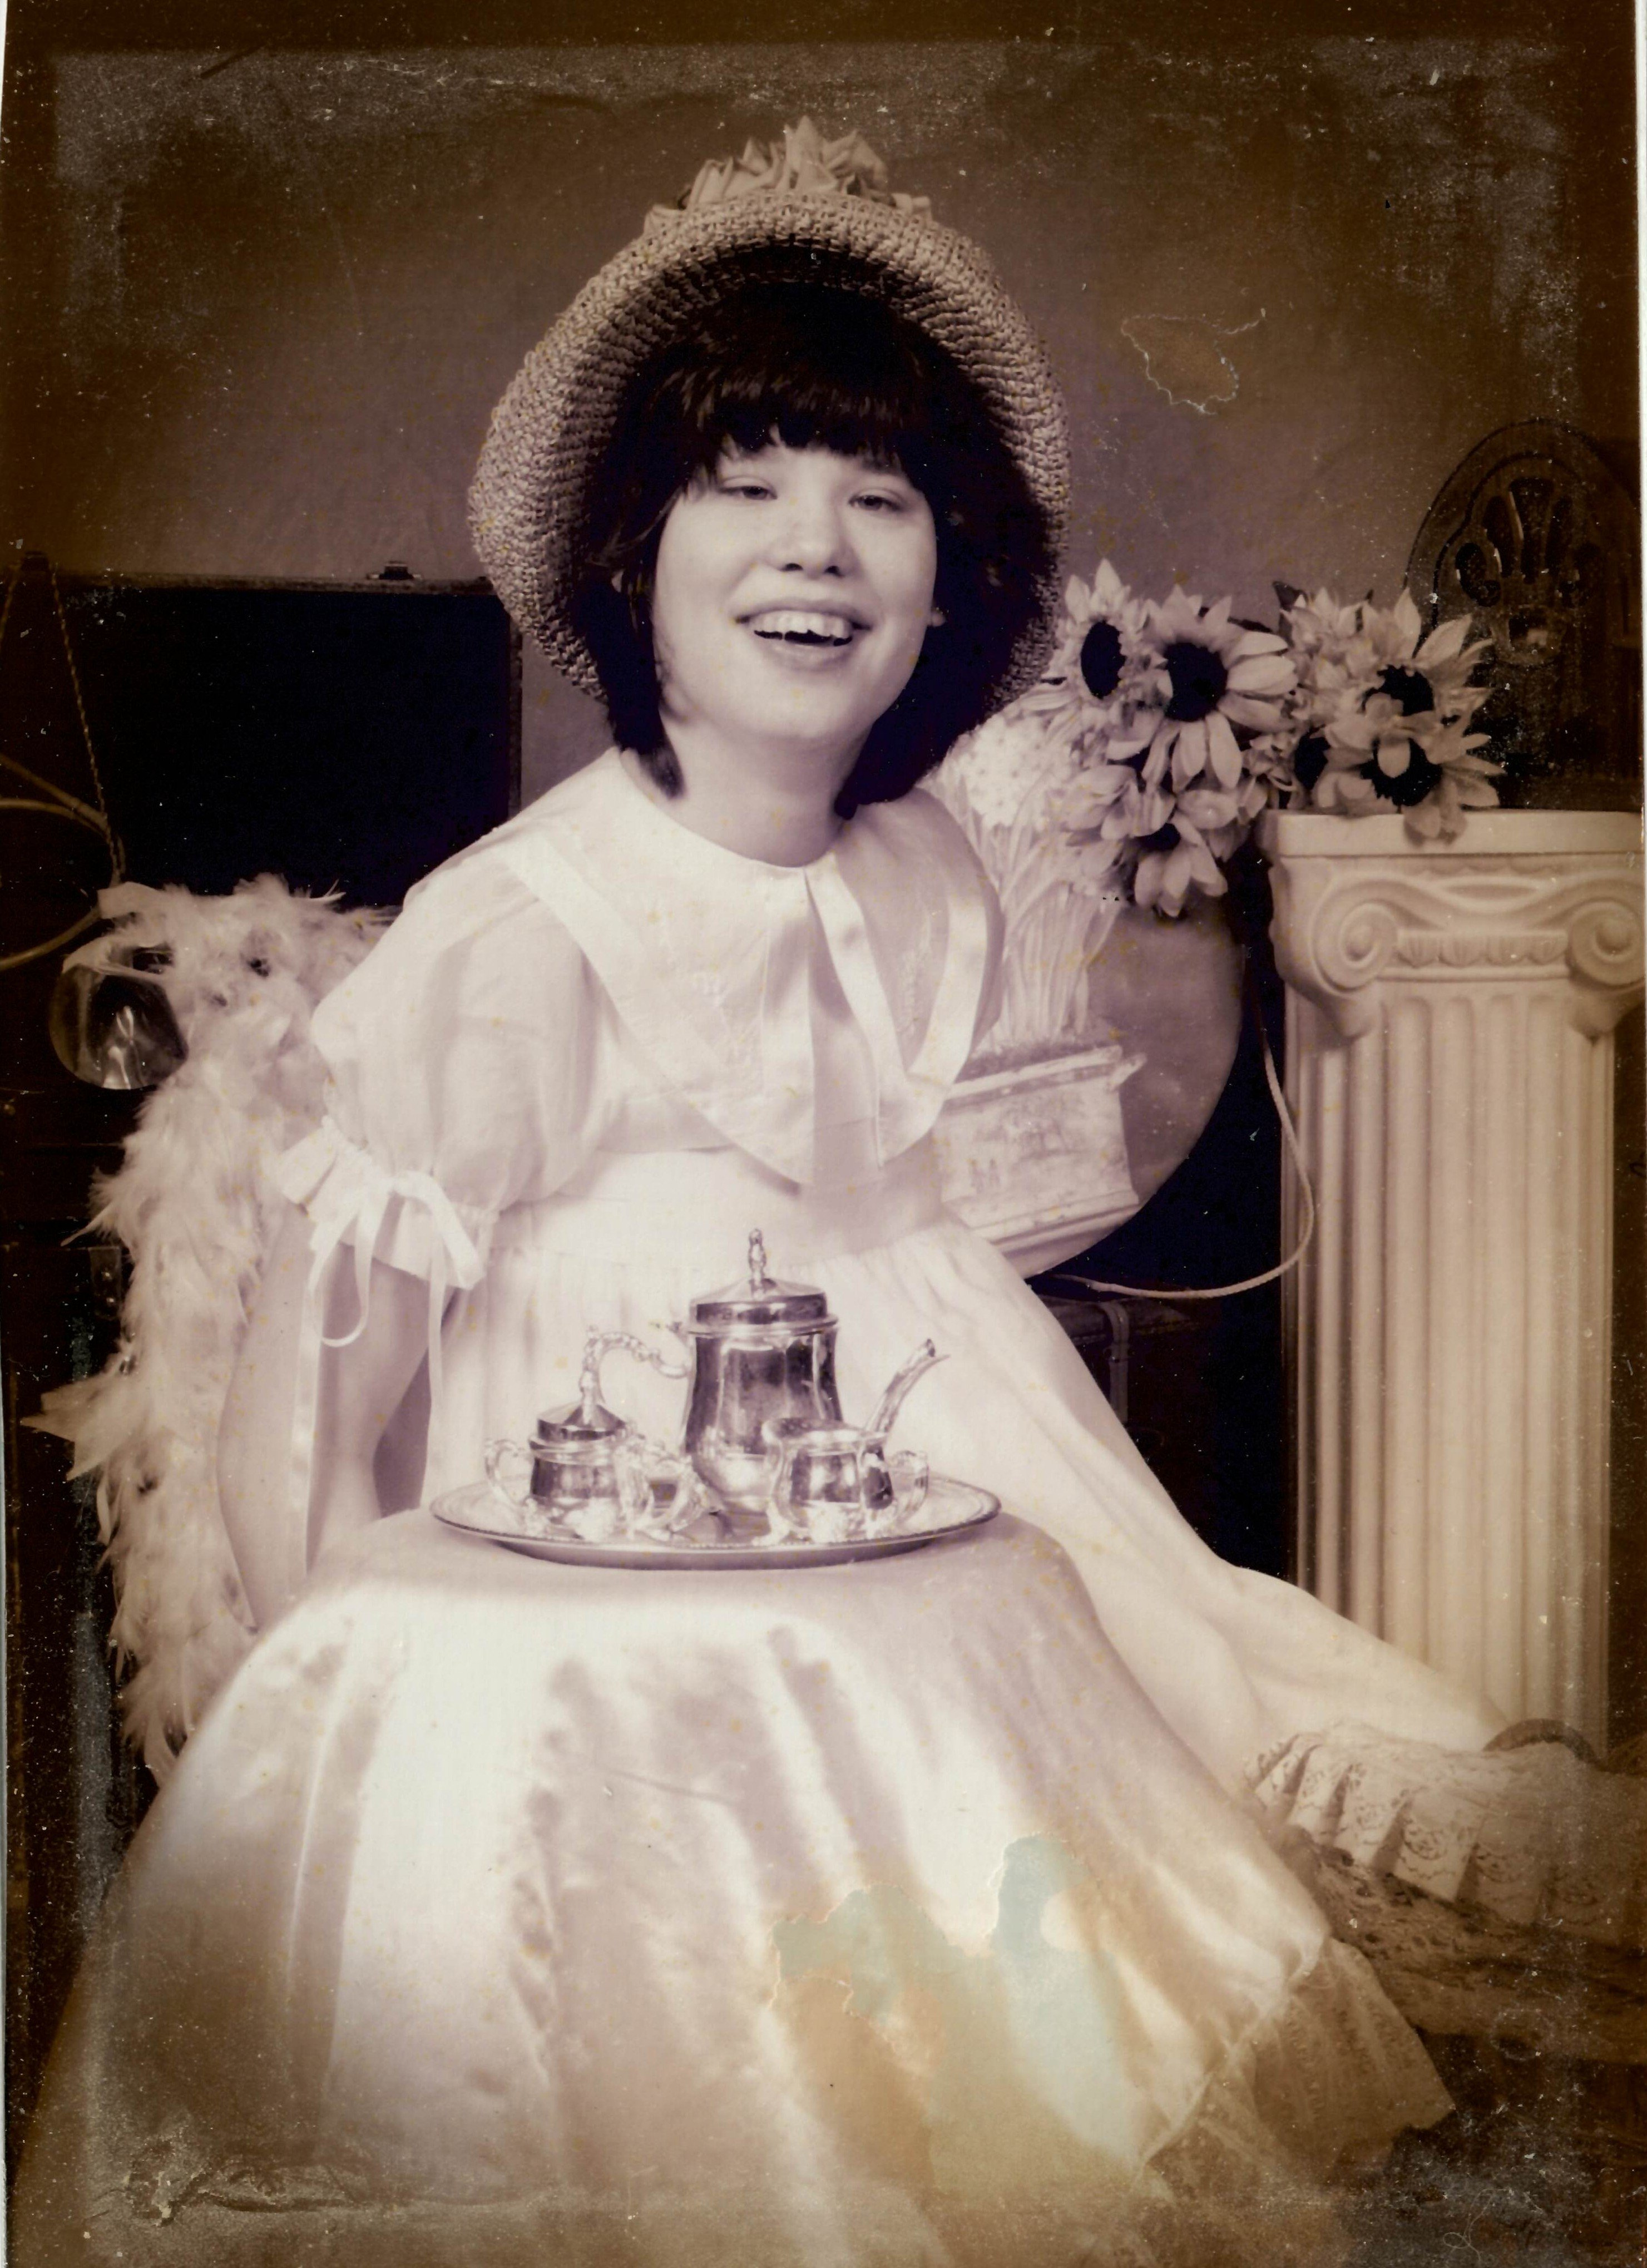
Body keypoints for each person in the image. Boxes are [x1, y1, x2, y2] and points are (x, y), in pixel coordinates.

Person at [16, 125, 1510, 2268]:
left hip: (922, 1482)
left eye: (880, 498)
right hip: (602, 1595)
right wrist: (367, 1741)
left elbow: (887, 1223)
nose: (816, 548)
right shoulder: (523, 929)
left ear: (948, 580)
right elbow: (312, 1412)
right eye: (746, 484)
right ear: (634, 557)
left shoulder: (927, 870)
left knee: (1110, 1902)